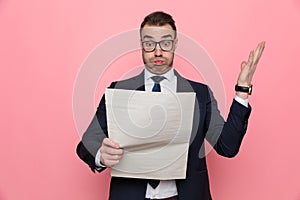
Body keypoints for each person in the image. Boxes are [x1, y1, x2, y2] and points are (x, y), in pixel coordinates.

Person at [76, 11, 265, 200]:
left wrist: (242, 90)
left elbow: (228, 146)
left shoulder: (200, 94)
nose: (158, 52)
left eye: (165, 43)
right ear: (141, 46)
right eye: (149, 44)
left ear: (175, 44)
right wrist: (101, 155)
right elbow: (85, 145)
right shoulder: (119, 91)